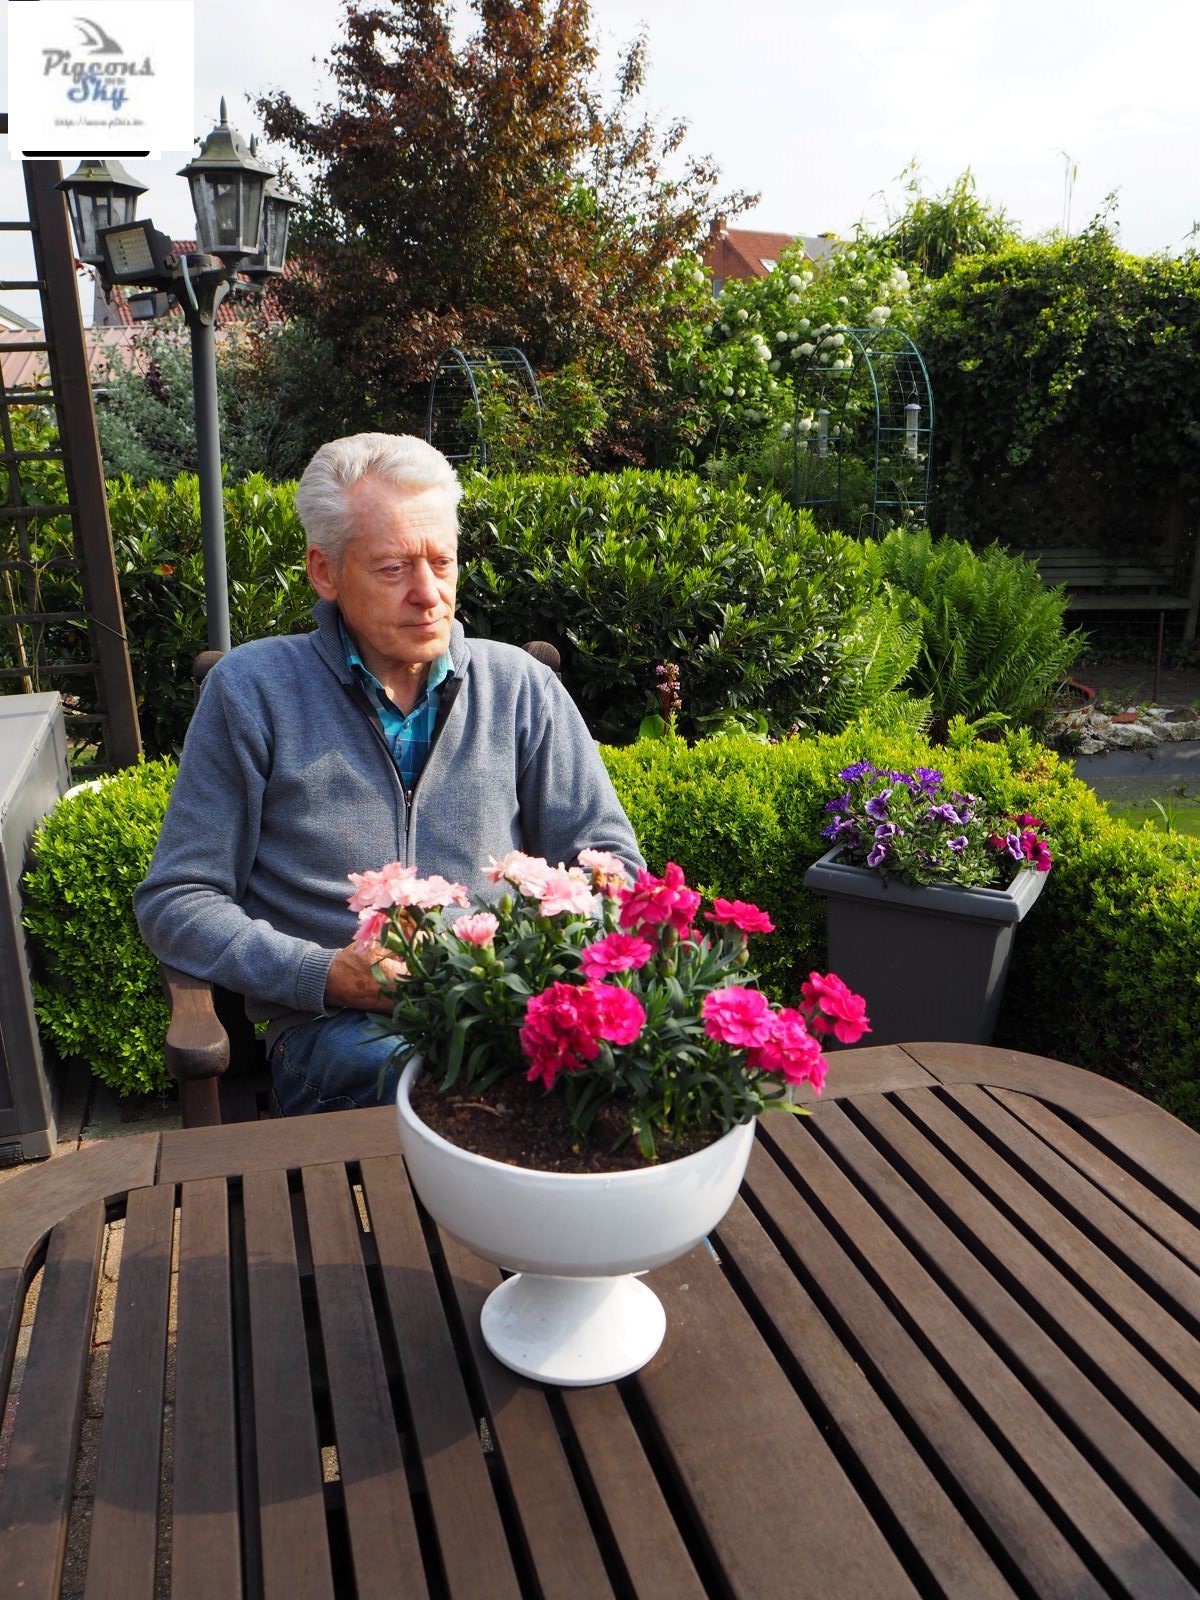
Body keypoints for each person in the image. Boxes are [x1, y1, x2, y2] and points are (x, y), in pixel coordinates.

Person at [135, 432, 643, 1114]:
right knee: (439, 1080)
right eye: (394, 568)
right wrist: (323, 973)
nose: (429, 594)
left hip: (507, 1007)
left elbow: (613, 868)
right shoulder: (252, 692)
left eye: (442, 562)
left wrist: (528, 968)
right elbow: (177, 900)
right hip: (337, 1029)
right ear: (325, 572)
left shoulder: (519, 688)